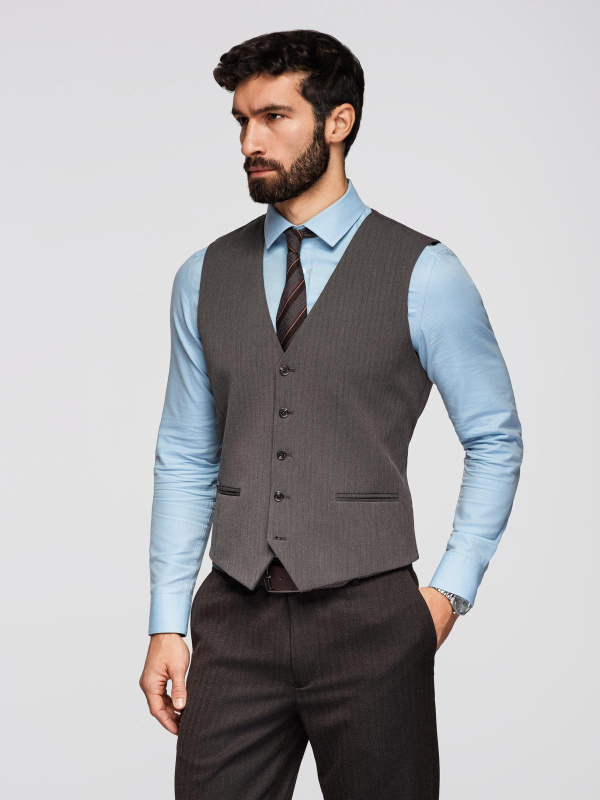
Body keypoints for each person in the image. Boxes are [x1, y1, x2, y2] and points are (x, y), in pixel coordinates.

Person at [139, 29, 523, 800]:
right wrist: (166, 622)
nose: (250, 142)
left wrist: (447, 594)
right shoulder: (202, 276)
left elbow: (495, 439)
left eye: (273, 117)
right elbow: (185, 453)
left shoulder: (426, 273)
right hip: (234, 619)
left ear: (338, 121)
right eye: (242, 121)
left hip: (373, 618)